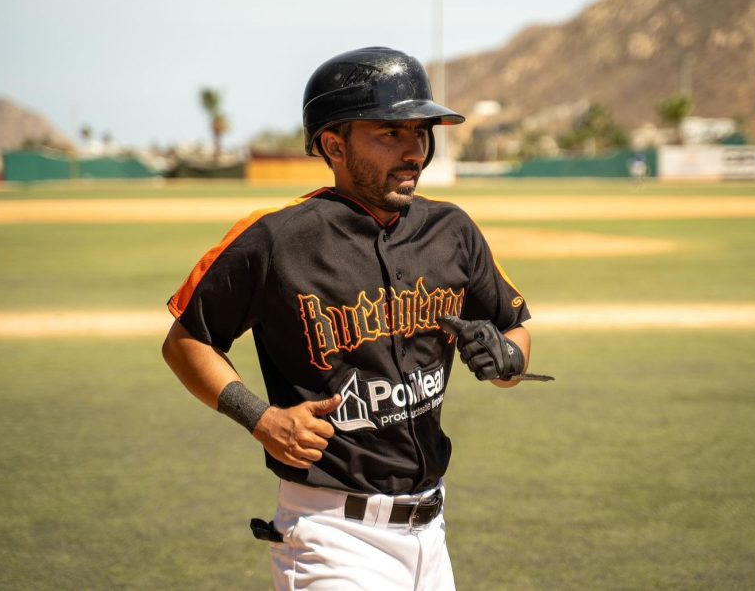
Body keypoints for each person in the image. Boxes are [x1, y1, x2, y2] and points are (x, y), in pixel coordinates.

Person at [161, 46, 549, 590]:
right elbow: (186, 340)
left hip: (431, 534)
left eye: (420, 131)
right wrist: (260, 418)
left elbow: (514, 336)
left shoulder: (452, 230)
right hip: (330, 536)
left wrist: (507, 357)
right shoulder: (277, 239)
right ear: (333, 144)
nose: (413, 149)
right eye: (390, 133)